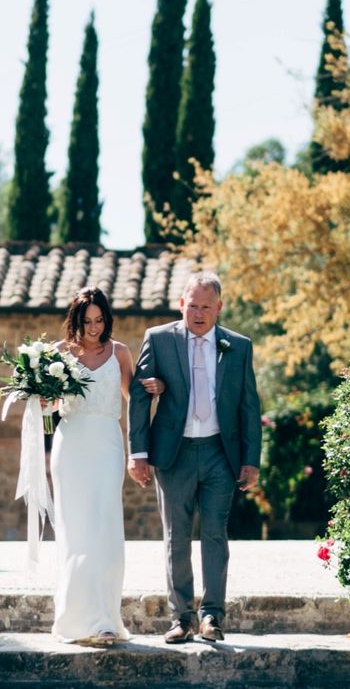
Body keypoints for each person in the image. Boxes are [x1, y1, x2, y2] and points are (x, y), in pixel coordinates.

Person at [127, 270, 261, 644]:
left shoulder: (238, 346)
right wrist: (137, 453)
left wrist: (252, 459)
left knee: (216, 535)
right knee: (176, 537)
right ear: (181, 304)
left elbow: (249, 405)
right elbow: (140, 397)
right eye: (193, 306)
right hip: (174, 453)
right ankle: (181, 618)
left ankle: (212, 617)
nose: (199, 313)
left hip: (222, 452)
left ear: (218, 308)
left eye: (207, 307)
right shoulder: (159, 339)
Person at [49, 286, 162, 645]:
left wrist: (155, 388)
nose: (94, 327)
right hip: (70, 446)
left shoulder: (120, 353)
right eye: (87, 321)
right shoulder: (58, 354)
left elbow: (135, 401)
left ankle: (105, 620)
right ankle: (74, 618)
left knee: (105, 528)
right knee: (75, 531)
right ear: (76, 320)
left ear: (107, 319)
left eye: (100, 320)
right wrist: (39, 396)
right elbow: (49, 407)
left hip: (107, 445)